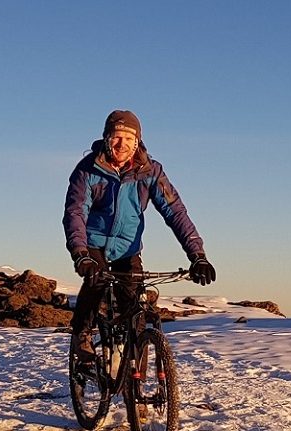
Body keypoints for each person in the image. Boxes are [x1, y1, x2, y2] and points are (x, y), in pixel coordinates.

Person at [62, 109, 215, 369]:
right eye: (116, 137)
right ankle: (82, 334)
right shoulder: (88, 170)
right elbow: (75, 212)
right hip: (93, 244)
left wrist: (197, 255)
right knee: (96, 281)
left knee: (135, 311)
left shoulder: (150, 172)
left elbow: (175, 211)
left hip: (127, 247)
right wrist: (81, 253)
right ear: (106, 138)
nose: (122, 145)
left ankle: (136, 380)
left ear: (138, 142)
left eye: (129, 139)